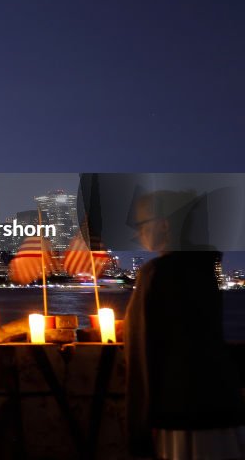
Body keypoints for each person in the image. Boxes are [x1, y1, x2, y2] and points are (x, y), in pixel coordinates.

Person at [124, 190, 245, 459]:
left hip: (180, 413)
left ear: (165, 224)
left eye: (142, 225)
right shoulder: (204, 270)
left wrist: (137, 430)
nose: (138, 235)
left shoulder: (156, 273)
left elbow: (140, 357)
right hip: (224, 407)